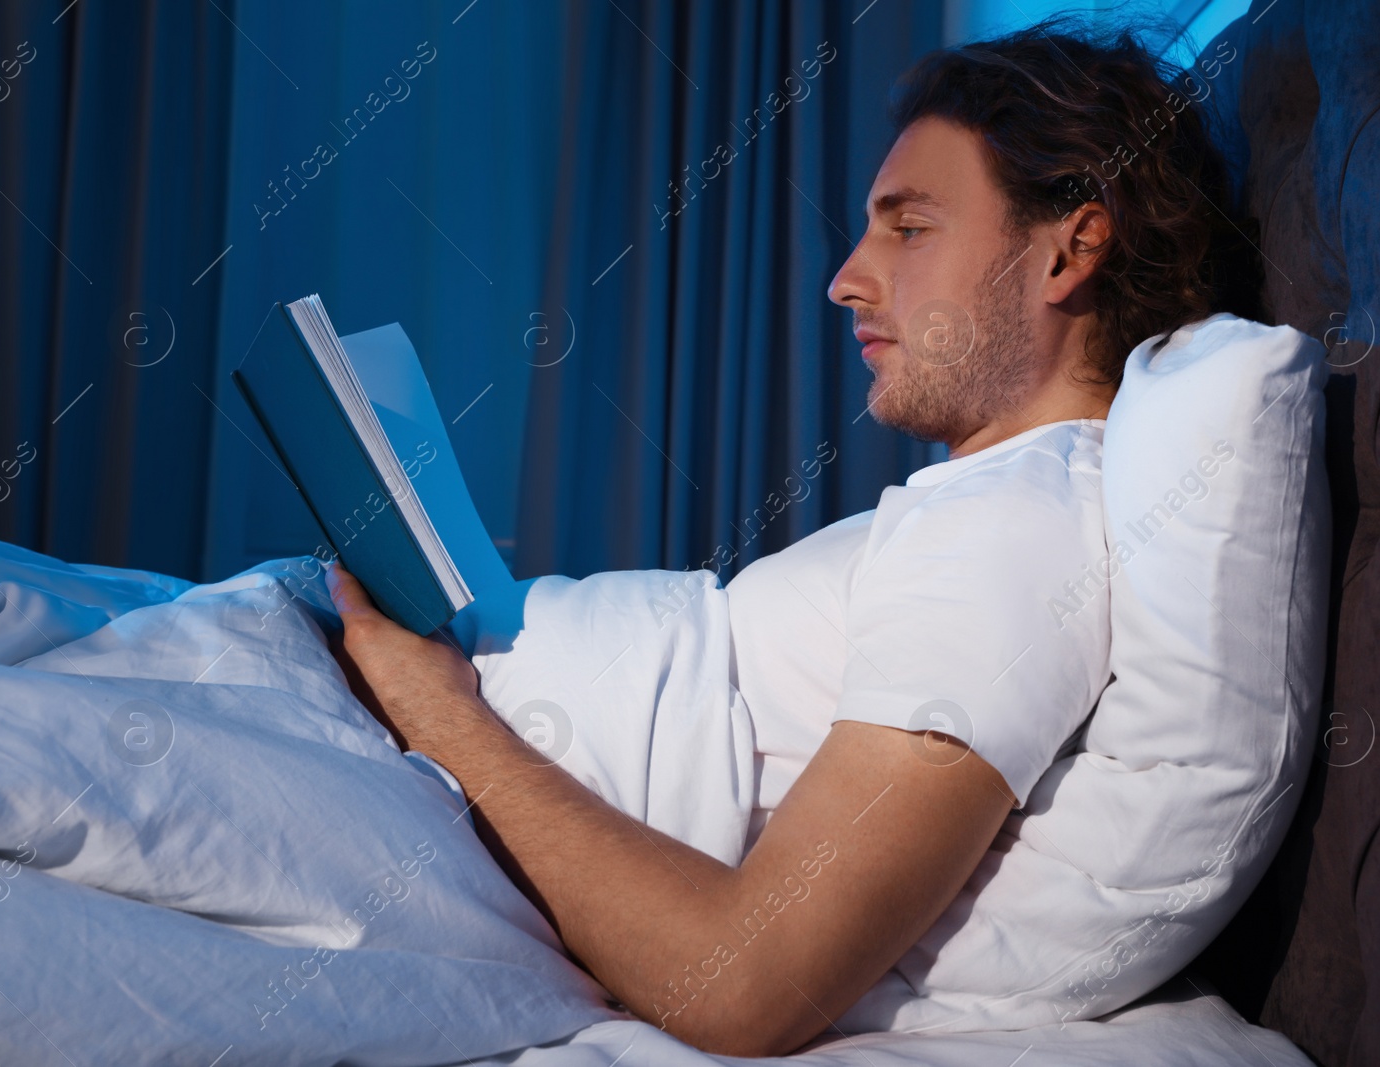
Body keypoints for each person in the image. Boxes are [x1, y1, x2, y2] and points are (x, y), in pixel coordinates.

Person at [325, 20, 1252, 1057]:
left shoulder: (1011, 533)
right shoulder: (983, 503)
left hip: (390, 750)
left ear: (1070, 247)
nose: (845, 279)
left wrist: (430, 704)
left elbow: (746, 982)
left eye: (909, 228)